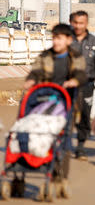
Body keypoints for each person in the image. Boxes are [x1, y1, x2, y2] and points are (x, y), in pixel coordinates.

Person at [24, 23, 87, 183]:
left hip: (66, 102)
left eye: (59, 38)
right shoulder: (45, 56)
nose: (56, 42)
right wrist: (31, 80)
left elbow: (81, 74)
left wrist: (74, 81)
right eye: (54, 38)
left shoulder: (75, 57)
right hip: (44, 101)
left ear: (68, 40)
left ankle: (60, 173)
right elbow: (36, 71)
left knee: (64, 136)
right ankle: (35, 162)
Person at [70, 11, 95, 161]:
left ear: (86, 24)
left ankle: (80, 146)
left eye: (81, 23)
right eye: (76, 23)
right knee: (65, 116)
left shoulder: (94, 42)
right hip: (67, 86)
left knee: (85, 117)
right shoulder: (66, 41)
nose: (78, 26)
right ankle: (62, 145)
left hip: (87, 85)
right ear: (71, 22)